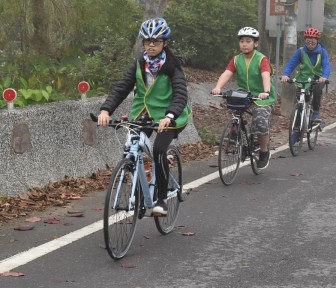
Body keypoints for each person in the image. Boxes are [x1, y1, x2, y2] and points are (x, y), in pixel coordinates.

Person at [97, 17, 191, 217]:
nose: (151, 45)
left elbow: (181, 94)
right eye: (147, 41)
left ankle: (162, 198)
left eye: (155, 41)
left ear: (164, 43)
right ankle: (141, 187)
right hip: (142, 113)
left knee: (158, 150)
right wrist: (106, 110)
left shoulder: (173, 66)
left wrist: (170, 115)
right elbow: (122, 87)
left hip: (169, 116)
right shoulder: (139, 63)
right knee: (131, 149)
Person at [211, 27, 275, 170]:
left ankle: (264, 151)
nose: (244, 44)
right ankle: (237, 136)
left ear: (255, 44)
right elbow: (227, 73)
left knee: (259, 120)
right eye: (242, 41)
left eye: (248, 41)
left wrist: (266, 91)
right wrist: (218, 87)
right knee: (234, 110)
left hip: (262, 95)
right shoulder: (236, 59)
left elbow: (266, 75)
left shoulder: (261, 59)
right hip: (243, 92)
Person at [281, 27, 330, 121]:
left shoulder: (322, 52)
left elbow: (326, 65)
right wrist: (286, 75)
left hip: (317, 78)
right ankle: (296, 122)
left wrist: (324, 76)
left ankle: (315, 112)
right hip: (303, 78)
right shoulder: (301, 51)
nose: (310, 45)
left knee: (317, 90)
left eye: (313, 42)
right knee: (299, 99)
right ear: (305, 41)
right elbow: (291, 64)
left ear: (317, 41)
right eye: (308, 42)